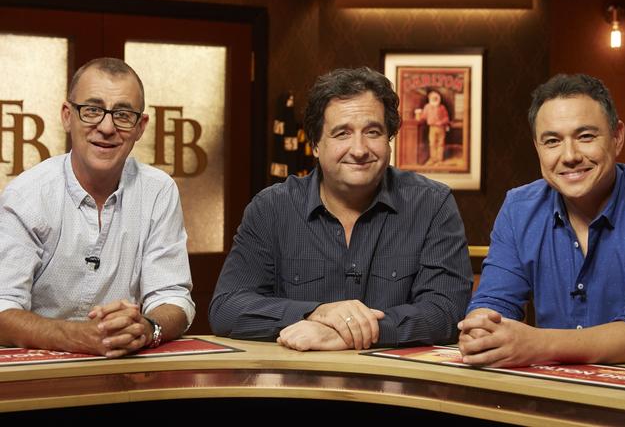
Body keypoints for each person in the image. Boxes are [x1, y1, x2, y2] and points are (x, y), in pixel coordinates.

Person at [209, 67, 472, 351]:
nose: (359, 149)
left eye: (373, 132)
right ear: (316, 145)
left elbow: (446, 311)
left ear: (389, 140)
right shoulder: (271, 208)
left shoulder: (432, 204)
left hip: (397, 390)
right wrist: (316, 312)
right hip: (296, 388)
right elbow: (227, 308)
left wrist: (346, 334)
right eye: (342, 134)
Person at [0, 58, 195, 358]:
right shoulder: (27, 195)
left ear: (140, 126)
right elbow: (3, 308)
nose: (106, 127)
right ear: (67, 116)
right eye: (92, 110)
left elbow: (173, 297)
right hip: (38, 377)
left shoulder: (159, 191)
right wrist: (78, 336)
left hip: (127, 374)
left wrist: (147, 327)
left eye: (123, 114)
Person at [458, 73, 625, 367]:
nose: (569, 155)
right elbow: (495, 301)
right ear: (537, 148)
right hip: (549, 398)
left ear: (617, 137)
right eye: (552, 141)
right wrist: (481, 329)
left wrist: (539, 344)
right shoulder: (518, 208)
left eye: (585, 136)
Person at [417, 88, 450, 166]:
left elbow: (446, 118)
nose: (434, 99)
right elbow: (423, 117)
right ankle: (433, 159)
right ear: (430, 98)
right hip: (432, 128)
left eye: (436, 98)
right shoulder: (427, 107)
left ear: (438, 98)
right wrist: (418, 115)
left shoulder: (442, 107)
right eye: (432, 98)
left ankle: (439, 160)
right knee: (432, 144)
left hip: (441, 128)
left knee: (440, 144)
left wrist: (441, 122)